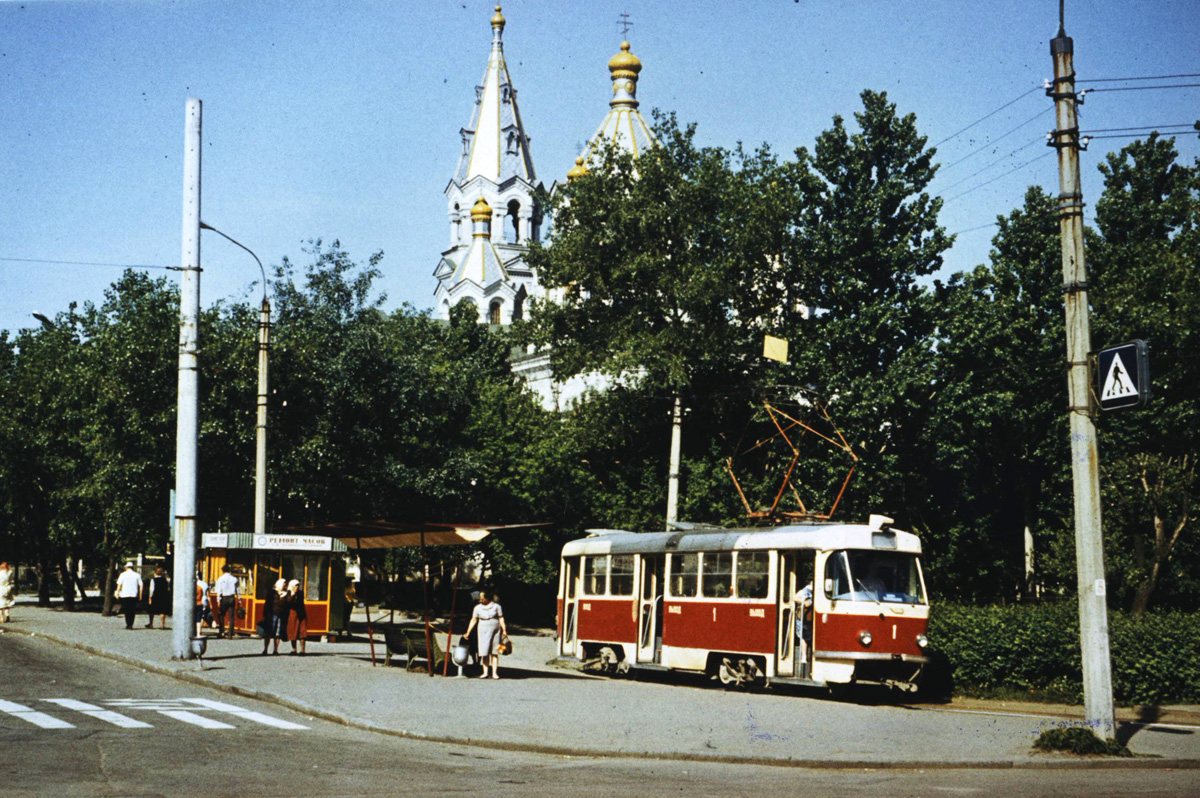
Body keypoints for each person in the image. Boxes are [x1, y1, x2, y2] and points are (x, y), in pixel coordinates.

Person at [464, 590, 508, 679]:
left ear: (487, 598)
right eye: (480, 596)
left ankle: (495, 672)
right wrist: (468, 632)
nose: (480, 598)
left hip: (495, 630)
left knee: (494, 651)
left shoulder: (496, 607)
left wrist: (504, 630)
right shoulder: (477, 608)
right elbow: (473, 620)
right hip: (482, 629)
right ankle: (485, 672)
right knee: (484, 651)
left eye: (482, 596)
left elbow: (501, 618)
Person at [115, 562, 143, 630]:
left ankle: (128, 623)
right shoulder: (137, 575)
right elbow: (141, 585)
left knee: (126, 610)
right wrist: (140, 594)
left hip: (125, 594)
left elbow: (119, 585)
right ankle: (131, 624)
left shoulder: (123, 575)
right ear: (132, 567)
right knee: (132, 610)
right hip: (134, 594)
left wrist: (117, 592)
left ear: (126, 567)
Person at [214, 564, 239, 638]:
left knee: (222, 615)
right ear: (229, 570)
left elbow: (218, 591)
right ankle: (230, 633)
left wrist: (218, 600)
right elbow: (238, 590)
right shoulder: (234, 579)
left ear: (223, 571)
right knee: (231, 616)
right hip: (231, 597)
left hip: (224, 597)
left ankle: (221, 632)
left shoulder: (220, 579)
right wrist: (239, 599)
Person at [794, 582, 813, 675]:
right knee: (803, 637)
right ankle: (804, 657)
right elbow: (795, 598)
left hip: (809, 619)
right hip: (803, 619)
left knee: (807, 637)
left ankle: (806, 656)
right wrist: (804, 602)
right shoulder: (805, 591)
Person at [285, 579, 307, 655]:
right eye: (295, 586)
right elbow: (289, 602)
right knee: (292, 631)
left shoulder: (300, 593)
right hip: (292, 614)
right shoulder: (288, 593)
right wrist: (293, 594)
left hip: (301, 614)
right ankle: (294, 649)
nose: (297, 587)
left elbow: (299, 603)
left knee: (302, 632)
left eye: (298, 586)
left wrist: (295, 595)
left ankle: (302, 650)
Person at [268, 578, 288, 655]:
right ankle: (265, 649)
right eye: (284, 585)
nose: (285, 586)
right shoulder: (272, 592)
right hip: (272, 614)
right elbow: (268, 603)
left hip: (280, 615)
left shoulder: (286, 594)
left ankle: (275, 650)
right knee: (269, 631)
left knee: (278, 632)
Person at [194, 572, 211, 636]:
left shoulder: (195, 584)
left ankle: (197, 630)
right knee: (201, 617)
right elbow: (208, 594)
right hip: (204, 600)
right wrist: (210, 603)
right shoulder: (205, 584)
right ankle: (200, 630)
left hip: (196, 601)